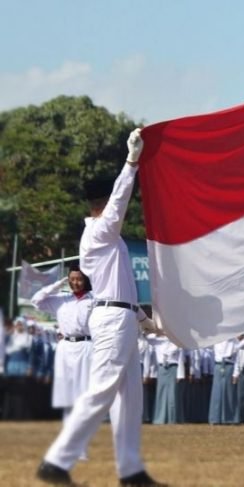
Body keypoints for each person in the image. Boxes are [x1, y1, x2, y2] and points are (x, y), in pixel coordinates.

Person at [37, 129, 165, 486]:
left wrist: (146, 321)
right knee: (102, 390)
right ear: (103, 201)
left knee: (130, 398)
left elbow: (122, 290)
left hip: (121, 314)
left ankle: (131, 470)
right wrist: (131, 163)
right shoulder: (99, 232)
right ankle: (57, 461)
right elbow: (121, 202)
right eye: (111, 200)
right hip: (110, 317)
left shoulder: (108, 236)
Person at [30, 266, 94, 428]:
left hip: (86, 345)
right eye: (72, 279)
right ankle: (68, 432)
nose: (75, 283)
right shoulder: (60, 299)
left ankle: (82, 433)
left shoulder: (94, 299)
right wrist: (57, 285)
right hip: (65, 347)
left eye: (79, 279)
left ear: (85, 280)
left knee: (84, 391)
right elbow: (36, 300)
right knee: (66, 392)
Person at [148, 334, 186, 424]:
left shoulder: (178, 342)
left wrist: (180, 375)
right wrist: (157, 332)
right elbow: (145, 337)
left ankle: (172, 418)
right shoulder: (157, 341)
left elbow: (181, 360)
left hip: (173, 368)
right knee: (161, 393)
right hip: (161, 369)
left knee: (172, 395)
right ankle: (159, 419)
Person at [209, 337, 239, 425]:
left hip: (229, 365)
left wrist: (236, 373)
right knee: (217, 393)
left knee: (229, 393)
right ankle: (215, 418)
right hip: (218, 366)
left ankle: (229, 418)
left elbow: (237, 359)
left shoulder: (234, 341)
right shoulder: (215, 340)